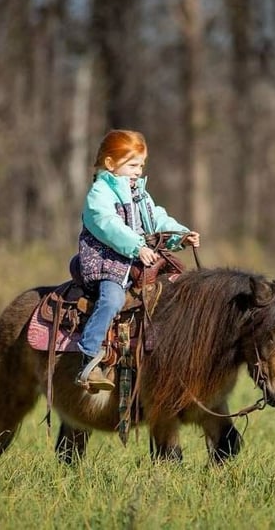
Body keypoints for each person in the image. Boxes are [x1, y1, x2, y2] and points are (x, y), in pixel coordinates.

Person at [75, 129, 200, 391]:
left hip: (135, 262)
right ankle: (89, 357)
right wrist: (137, 246)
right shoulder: (99, 194)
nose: (137, 170)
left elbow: (158, 219)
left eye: (141, 165)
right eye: (132, 164)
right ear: (110, 163)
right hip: (106, 264)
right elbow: (108, 225)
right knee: (113, 300)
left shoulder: (139, 194)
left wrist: (182, 235)